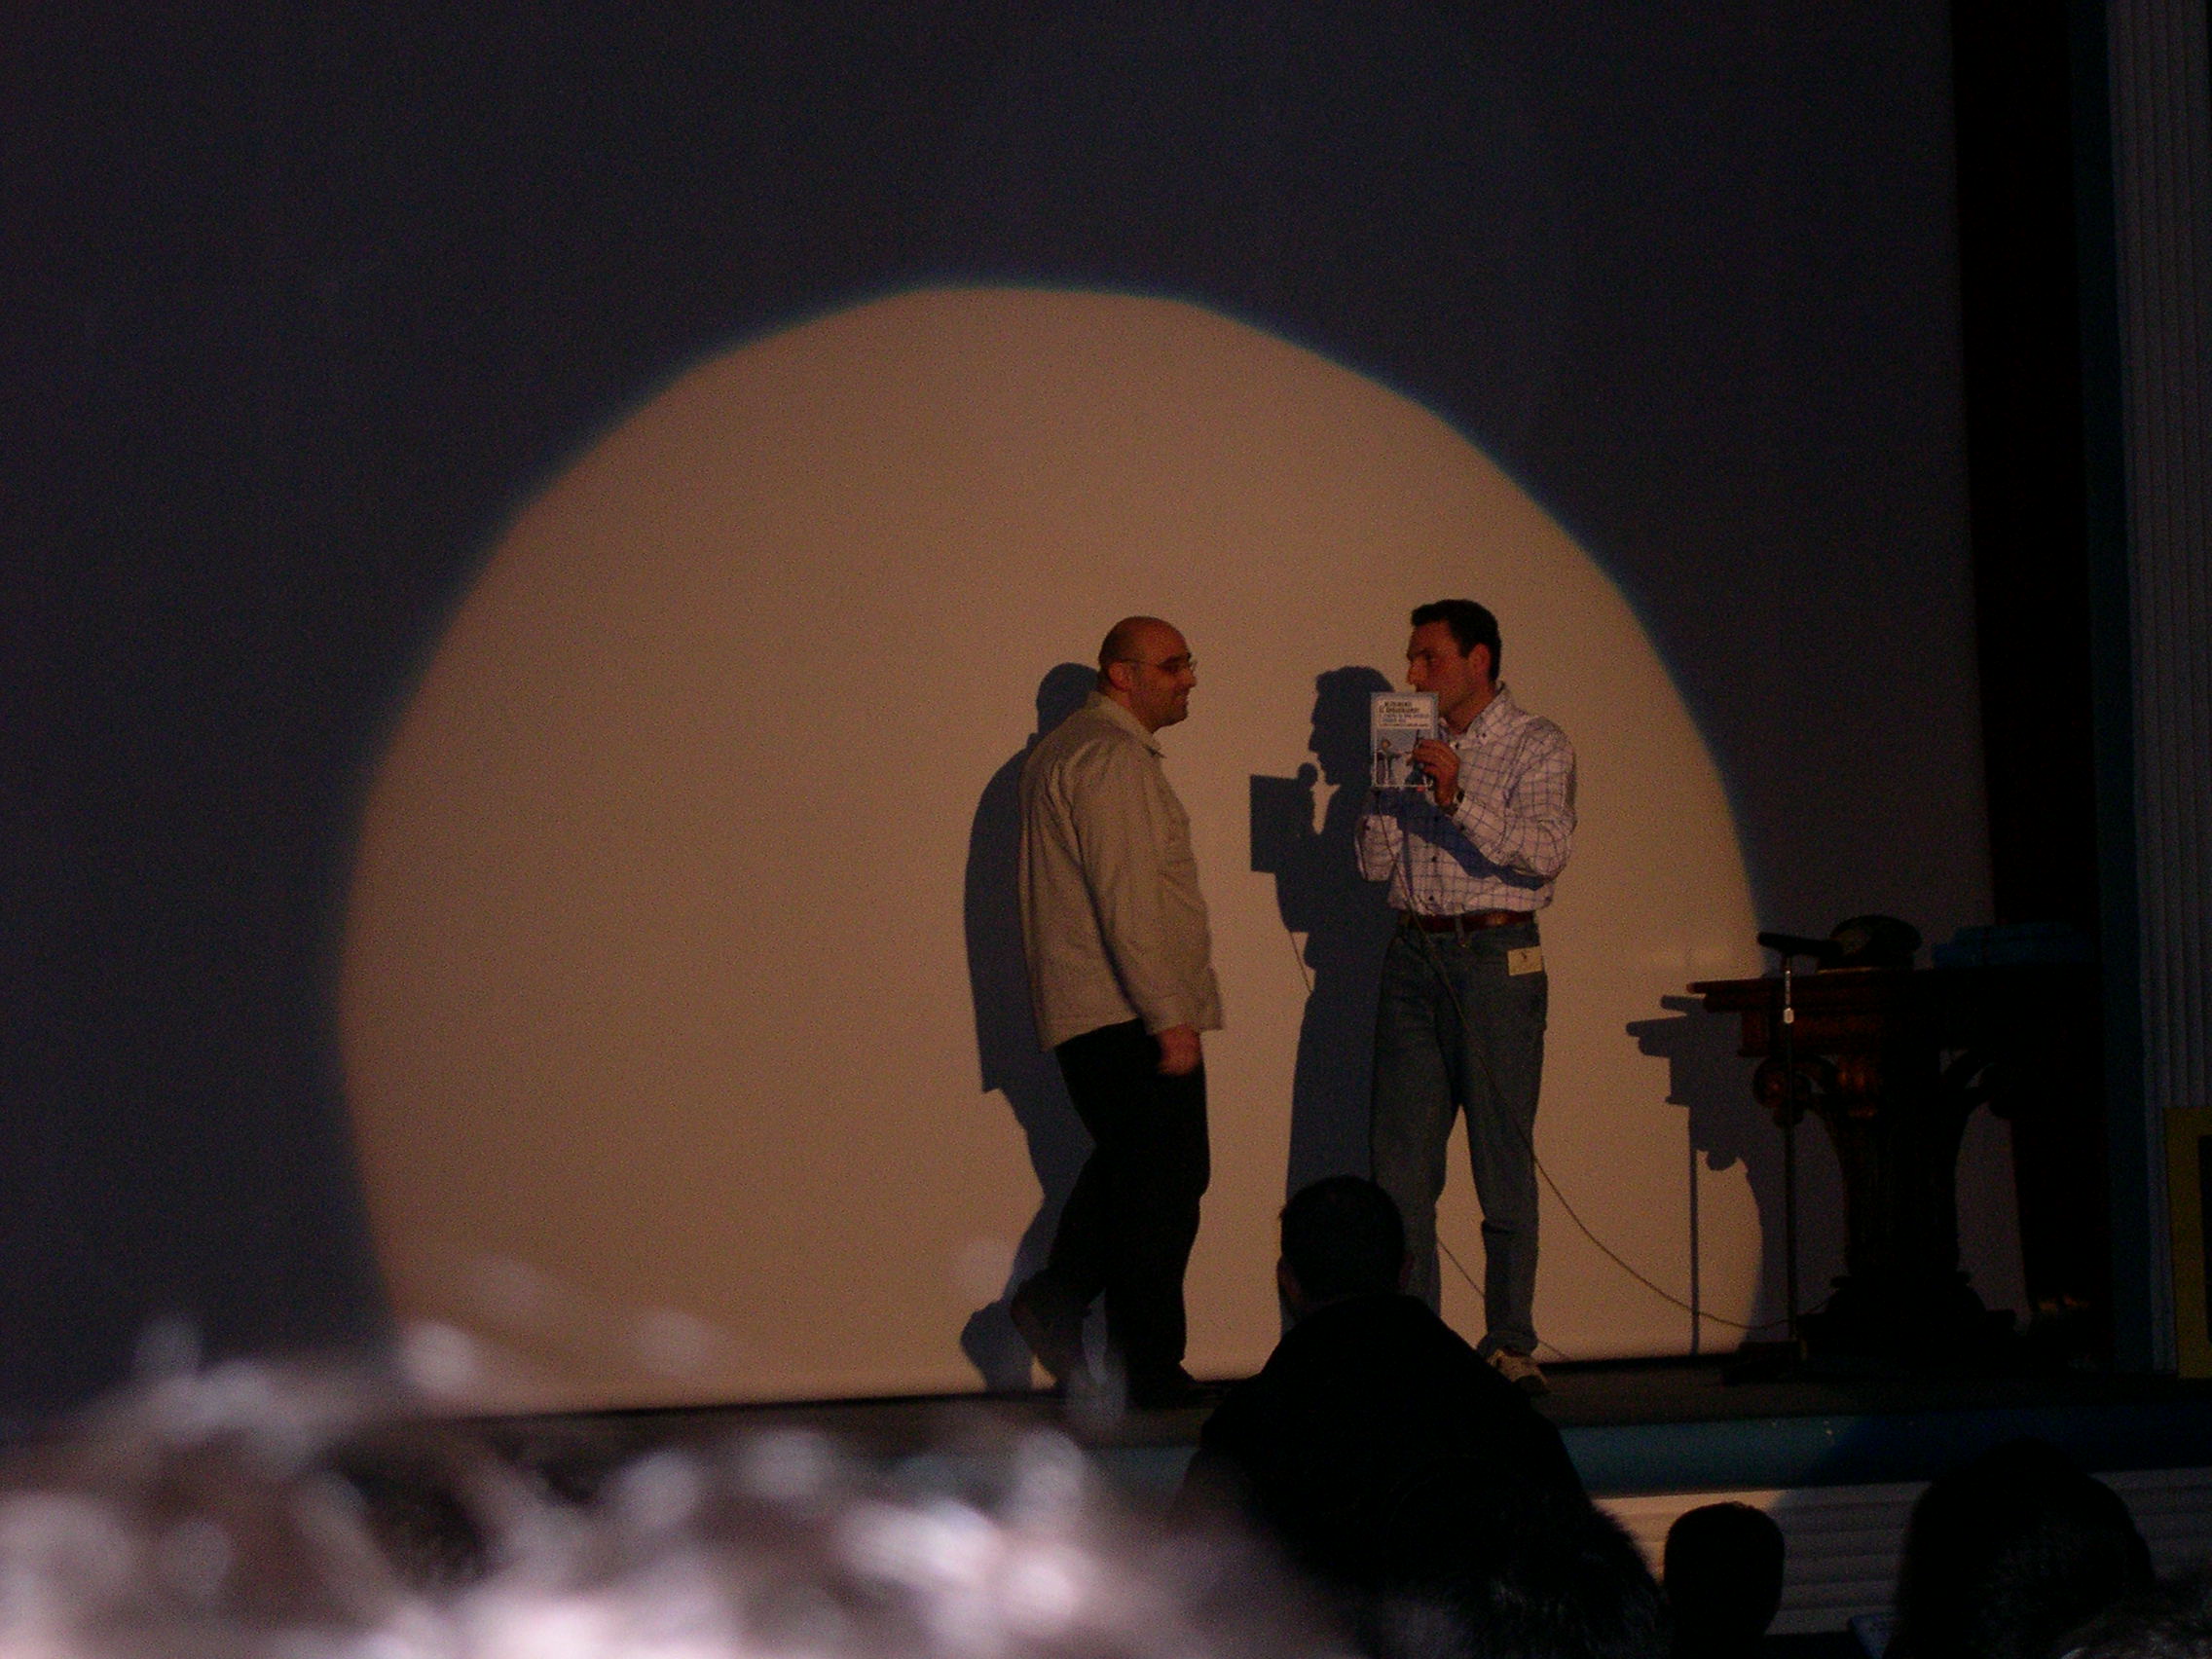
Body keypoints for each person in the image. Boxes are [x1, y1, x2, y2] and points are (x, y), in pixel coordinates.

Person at [1359, 599, 1575, 1394]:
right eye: (1412, 658)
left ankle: (1510, 1343)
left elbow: (1545, 852)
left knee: (1500, 1159)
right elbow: (1373, 868)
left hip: (1495, 957)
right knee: (1401, 1168)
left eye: (1429, 658)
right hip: (1413, 954)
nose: (1412, 673)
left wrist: (1456, 797)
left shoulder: (1535, 743)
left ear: (1478, 660)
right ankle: (1414, 1341)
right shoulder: (1408, 742)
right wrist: (1386, 791)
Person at [1181, 1176, 1583, 1601]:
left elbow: (1187, 1590)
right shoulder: (1500, 1412)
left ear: (1288, 1281)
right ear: (1406, 1270)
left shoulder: (1250, 1430)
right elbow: (1585, 1580)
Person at [1010, 615, 1222, 1409]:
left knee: (1146, 1176)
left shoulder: (1068, 751)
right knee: (1163, 1185)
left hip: (1102, 1009)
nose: (1189, 678)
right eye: (1172, 665)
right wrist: (1169, 1015)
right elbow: (1127, 901)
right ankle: (1142, 1365)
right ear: (1122, 676)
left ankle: (1065, 1303)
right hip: (1125, 1009)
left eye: (1189, 662)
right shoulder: (1109, 758)